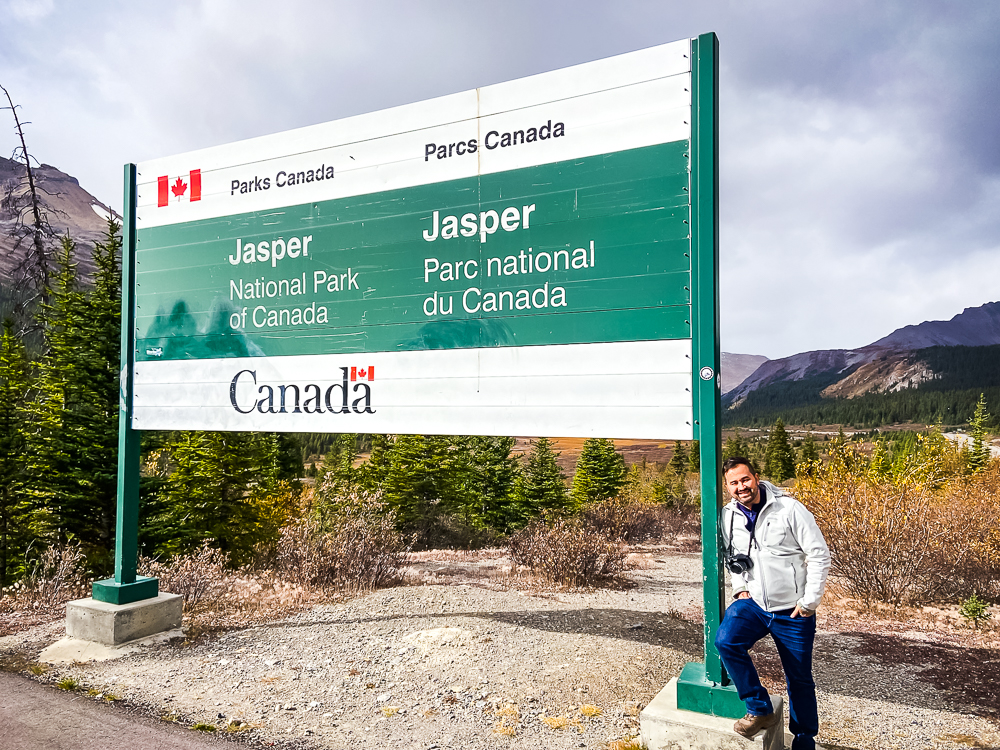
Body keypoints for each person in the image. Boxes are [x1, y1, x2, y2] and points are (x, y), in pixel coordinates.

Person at [714, 456, 830, 749]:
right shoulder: (728, 515)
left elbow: (818, 554)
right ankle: (760, 708)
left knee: (799, 677)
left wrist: (809, 602)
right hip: (754, 604)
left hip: (793, 609)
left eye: (745, 479)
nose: (741, 487)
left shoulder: (789, 508)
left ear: (756, 477)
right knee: (726, 641)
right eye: (734, 483)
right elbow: (733, 559)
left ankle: (804, 738)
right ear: (727, 487)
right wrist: (740, 588)